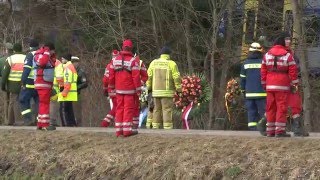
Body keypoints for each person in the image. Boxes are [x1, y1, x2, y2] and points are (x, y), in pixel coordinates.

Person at [261, 34, 298, 137]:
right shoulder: (287, 55)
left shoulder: (267, 54)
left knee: (270, 108)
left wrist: (264, 83)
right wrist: (294, 83)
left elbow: (263, 70)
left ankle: (270, 131)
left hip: (269, 85)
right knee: (281, 107)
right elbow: (292, 71)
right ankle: (280, 131)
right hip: (282, 84)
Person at [108, 39, 141, 137]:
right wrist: (138, 90)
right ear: (131, 48)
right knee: (128, 109)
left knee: (119, 109)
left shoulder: (114, 60)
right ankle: (127, 131)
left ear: (122, 47)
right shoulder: (133, 61)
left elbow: (111, 76)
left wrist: (111, 88)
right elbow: (136, 77)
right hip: (129, 91)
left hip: (118, 90)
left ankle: (119, 131)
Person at [146, 46, 181, 129]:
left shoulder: (153, 63)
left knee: (156, 109)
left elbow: (149, 76)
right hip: (167, 92)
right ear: (169, 54)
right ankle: (167, 127)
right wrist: (179, 89)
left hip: (155, 92)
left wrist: (149, 88)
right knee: (167, 109)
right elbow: (176, 77)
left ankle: (155, 126)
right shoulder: (172, 63)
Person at [284, 35, 309, 137]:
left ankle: (296, 127)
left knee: (293, 104)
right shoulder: (287, 54)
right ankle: (296, 128)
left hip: (283, 82)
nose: (289, 42)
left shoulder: (289, 53)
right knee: (292, 104)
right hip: (287, 82)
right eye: (287, 40)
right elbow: (294, 68)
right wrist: (294, 82)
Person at [240, 42, 266, 131]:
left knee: (251, 111)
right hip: (262, 93)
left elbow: (242, 79)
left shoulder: (245, 64)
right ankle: (264, 128)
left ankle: (252, 128)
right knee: (263, 112)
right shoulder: (264, 63)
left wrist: (242, 90)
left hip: (249, 93)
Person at [34, 42, 57, 130]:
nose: (53, 53)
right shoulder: (43, 55)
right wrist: (47, 52)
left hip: (43, 82)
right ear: (49, 49)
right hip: (43, 82)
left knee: (42, 103)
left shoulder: (41, 54)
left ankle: (40, 123)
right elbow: (42, 63)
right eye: (52, 51)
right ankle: (45, 125)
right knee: (45, 103)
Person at [1, 43, 25, 125]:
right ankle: (11, 121)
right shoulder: (26, 58)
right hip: (23, 83)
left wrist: (3, 85)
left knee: (14, 101)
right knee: (16, 101)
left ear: (14, 50)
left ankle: (16, 121)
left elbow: (5, 74)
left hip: (12, 83)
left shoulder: (10, 59)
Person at [19, 39, 39, 126]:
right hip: (41, 82)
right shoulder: (43, 55)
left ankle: (29, 119)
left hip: (30, 82)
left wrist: (22, 81)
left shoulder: (30, 55)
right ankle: (40, 120)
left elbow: (27, 69)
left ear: (30, 47)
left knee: (23, 100)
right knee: (39, 102)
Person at [58, 54, 78, 127]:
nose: (62, 60)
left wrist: (64, 92)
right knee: (69, 109)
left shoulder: (67, 68)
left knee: (63, 109)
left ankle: (66, 125)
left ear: (66, 59)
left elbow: (67, 81)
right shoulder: (72, 67)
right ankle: (72, 124)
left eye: (63, 59)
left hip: (67, 92)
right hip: (71, 92)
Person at [101, 50, 119, 127]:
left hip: (110, 90)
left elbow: (105, 79)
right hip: (118, 89)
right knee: (118, 107)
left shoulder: (109, 66)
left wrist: (105, 89)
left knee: (116, 107)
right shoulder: (119, 66)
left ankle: (108, 122)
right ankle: (106, 122)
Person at [71, 56, 88, 127]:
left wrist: (76, 87)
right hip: (68, 94)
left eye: (75, 62)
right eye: (73, 63)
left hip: (77, 93)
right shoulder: (69, 70)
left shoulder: (81, 72)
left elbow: (85, 83)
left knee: (77, 110)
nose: (74, 64)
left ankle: (78, 125)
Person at [132, 58, 148, 132]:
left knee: (138, 107)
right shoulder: (120, 60)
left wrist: (139, 84)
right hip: (131, 88)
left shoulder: (140, 62)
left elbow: (145, 76)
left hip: (138, 89)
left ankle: (136, 124)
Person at [0, 43, 13, 124]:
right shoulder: (14, 59)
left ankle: (6, 120)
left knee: (6, 101)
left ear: (6, 50)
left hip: (4, 83)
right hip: (14, 82)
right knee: (13, 101)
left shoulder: (1, 60)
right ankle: (12, 120)